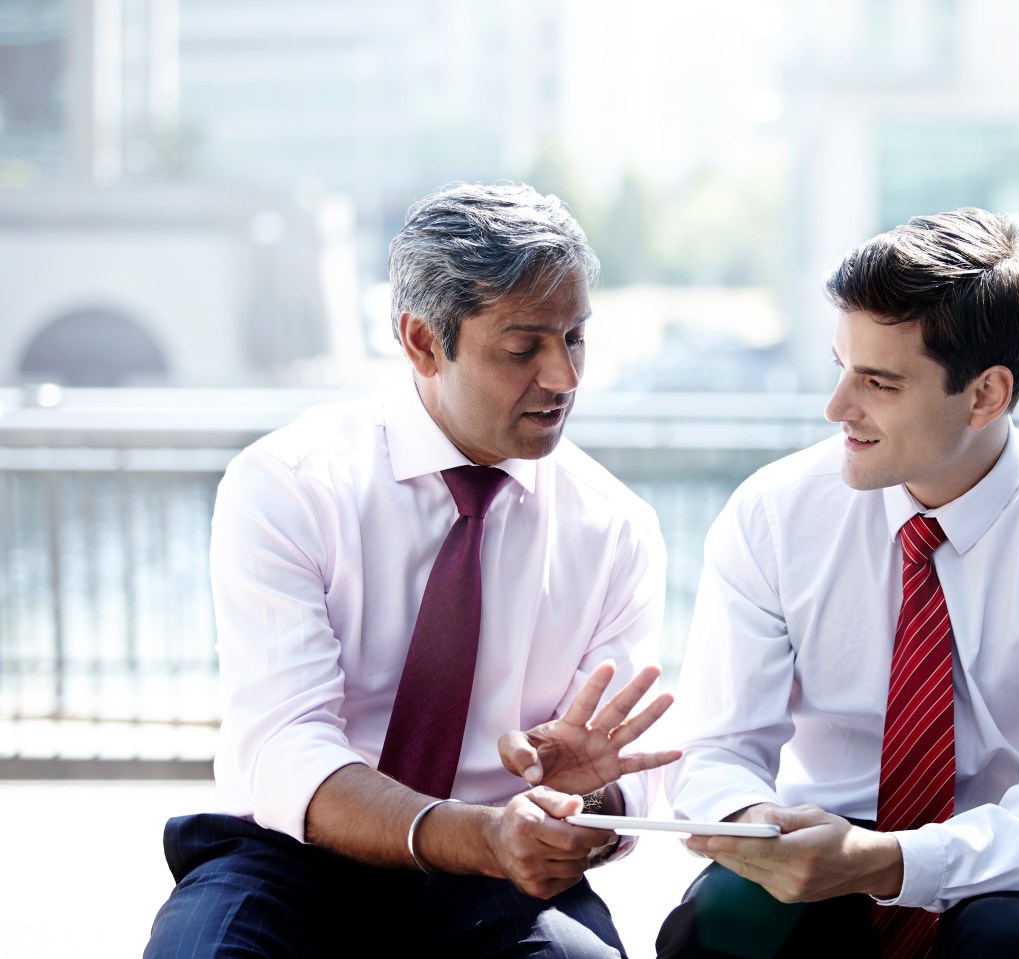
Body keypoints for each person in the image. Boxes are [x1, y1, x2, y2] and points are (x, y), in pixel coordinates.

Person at [145, 182, 679, 958]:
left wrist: (587, 799)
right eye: (524, 346)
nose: (564, 376)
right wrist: (476, 831)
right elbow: (286, 746)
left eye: (576, 337)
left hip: (500, 873)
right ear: (424, 342)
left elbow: (619, 771)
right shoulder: (289, 484)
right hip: (292, 854)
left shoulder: (615, 526)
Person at [655, 209, 1019, 959]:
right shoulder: (774, 514)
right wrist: (756, 823)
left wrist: (890, 860)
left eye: (878, 382)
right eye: (840, 367)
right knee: (721, 920)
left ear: (986, 395)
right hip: (817, 841)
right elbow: (716, 749)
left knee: (1008, 942)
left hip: (1012, 869)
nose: (836, 408)